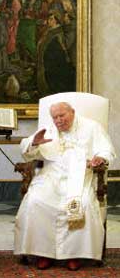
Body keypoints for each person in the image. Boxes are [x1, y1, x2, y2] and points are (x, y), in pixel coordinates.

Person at [14, 102, 116, 270]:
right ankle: (43, 253)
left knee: (83, 204)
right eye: (55, 117)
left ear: (73, 112)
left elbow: (106, 150)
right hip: (50, 176)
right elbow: (27, 150)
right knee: (35, 201)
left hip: (80, 176)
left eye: (62, 116)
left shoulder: (92, 127)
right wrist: (34, 142)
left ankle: (74, 254)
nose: (59, 120)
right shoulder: (49, 129)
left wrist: (100, 158)